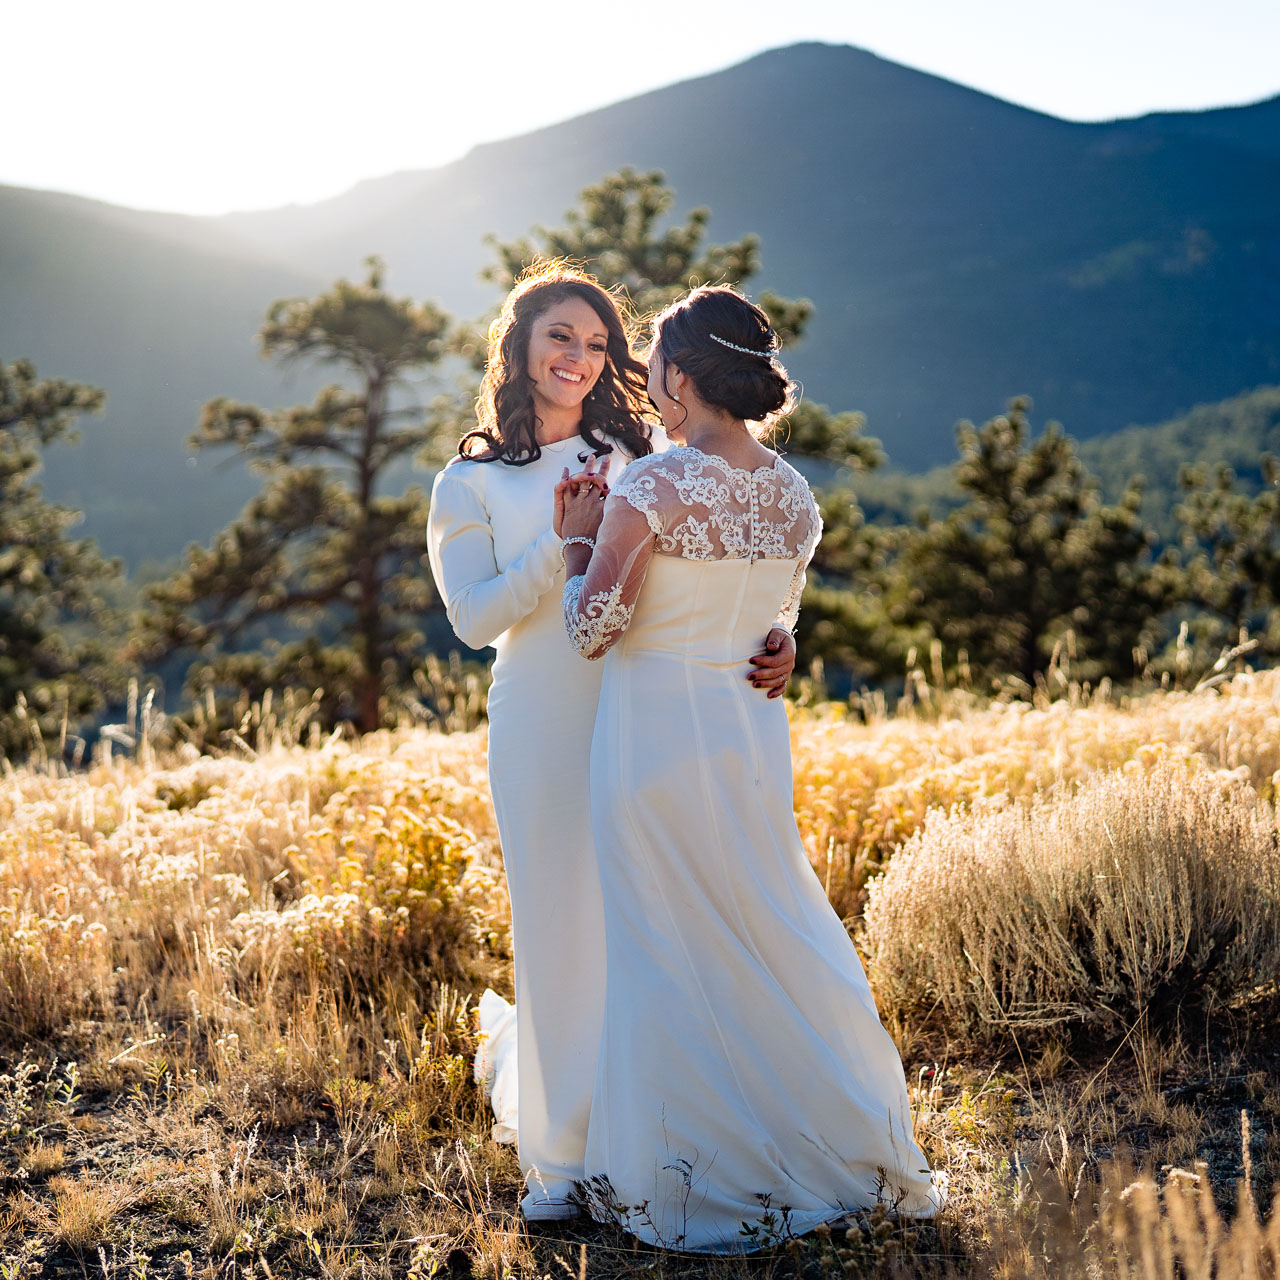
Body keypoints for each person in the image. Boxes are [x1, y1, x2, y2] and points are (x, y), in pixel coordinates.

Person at [556, 285, 943, 1252]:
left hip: (650, 736)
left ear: (681, 376)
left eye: (652, 362)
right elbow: (779, 618)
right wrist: (782, 646)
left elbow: (592, 630)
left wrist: (574, 544)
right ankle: (828, 1136)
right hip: (746, 735)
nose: (645, 377)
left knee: (660, 939)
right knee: (767, 920)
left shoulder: (652, 486)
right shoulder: (793, 495)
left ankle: (683, 1167)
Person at [425, 263, 797, 1221]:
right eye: (560, 338)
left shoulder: (639, 457)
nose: (580, 359)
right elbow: (472, 620)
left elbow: (717, 550)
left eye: (598, 344)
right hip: (545, 718)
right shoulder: (468, 482)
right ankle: (558, 1159)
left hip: (646, 709)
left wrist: (777, 630)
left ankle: (656, 1131)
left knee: (651, 921)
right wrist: (562, 543)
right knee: (557, 924)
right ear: (518, 347)